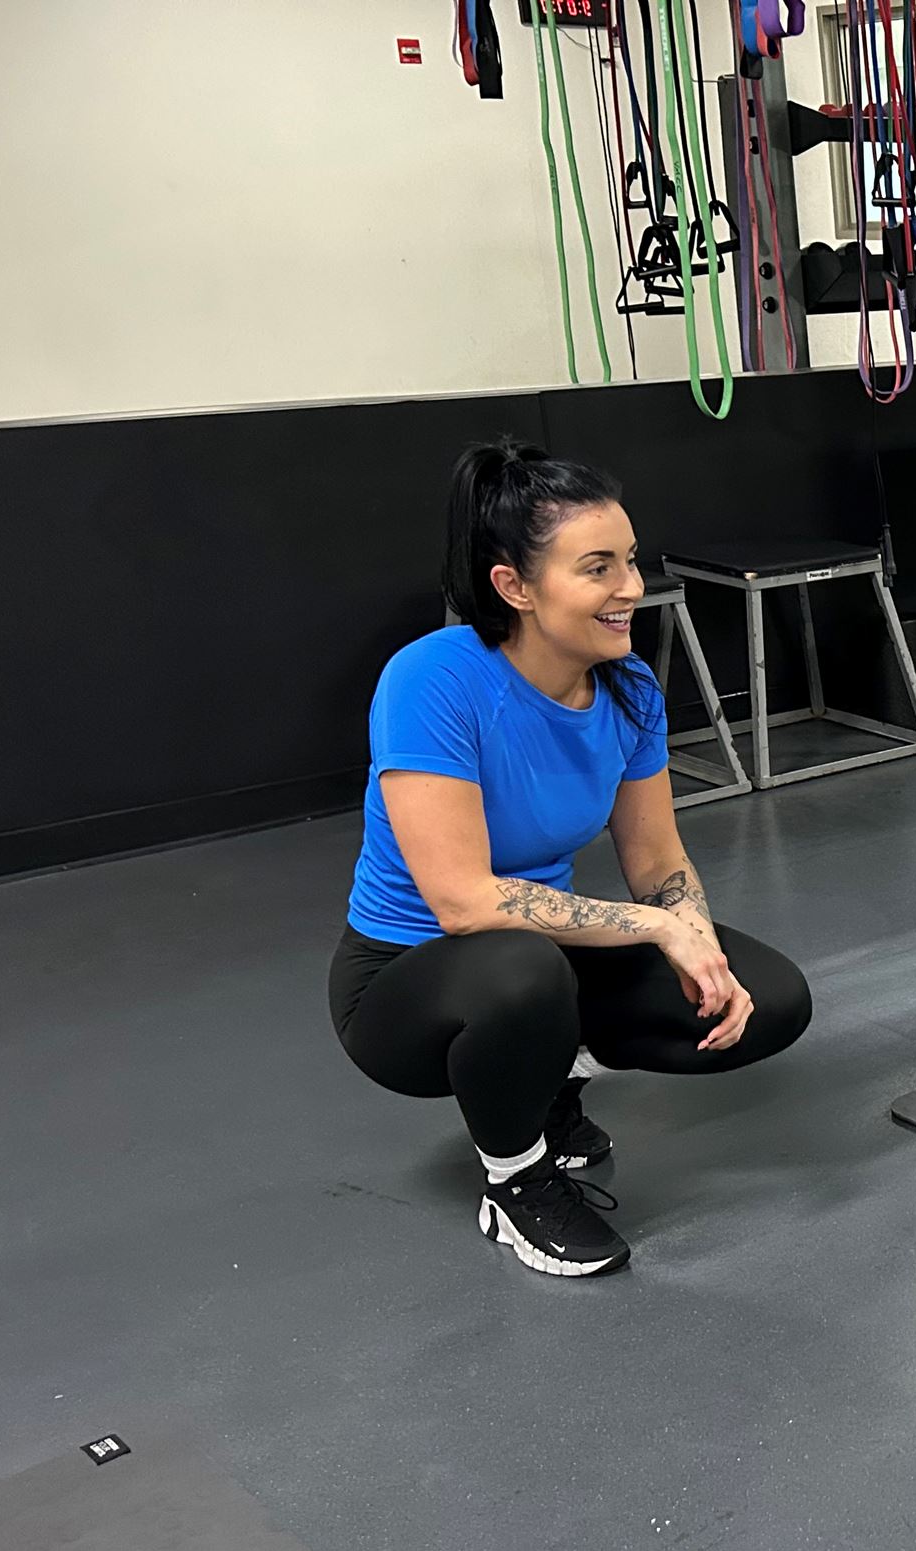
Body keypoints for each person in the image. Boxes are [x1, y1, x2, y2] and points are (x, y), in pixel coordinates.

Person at [329, 439, 811, 1277]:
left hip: (540, 960)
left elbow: (658, 856)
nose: (630, 587)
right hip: (408, 983)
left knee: (767, 999)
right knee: (519, 971)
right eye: (598, 568)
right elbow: (463, 903)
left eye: (629, 560)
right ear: (514, 586)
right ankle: (514, 1180)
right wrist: (654, 929)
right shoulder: (431, 681)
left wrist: (690, 933)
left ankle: (544, 1081)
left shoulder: (627, 689)